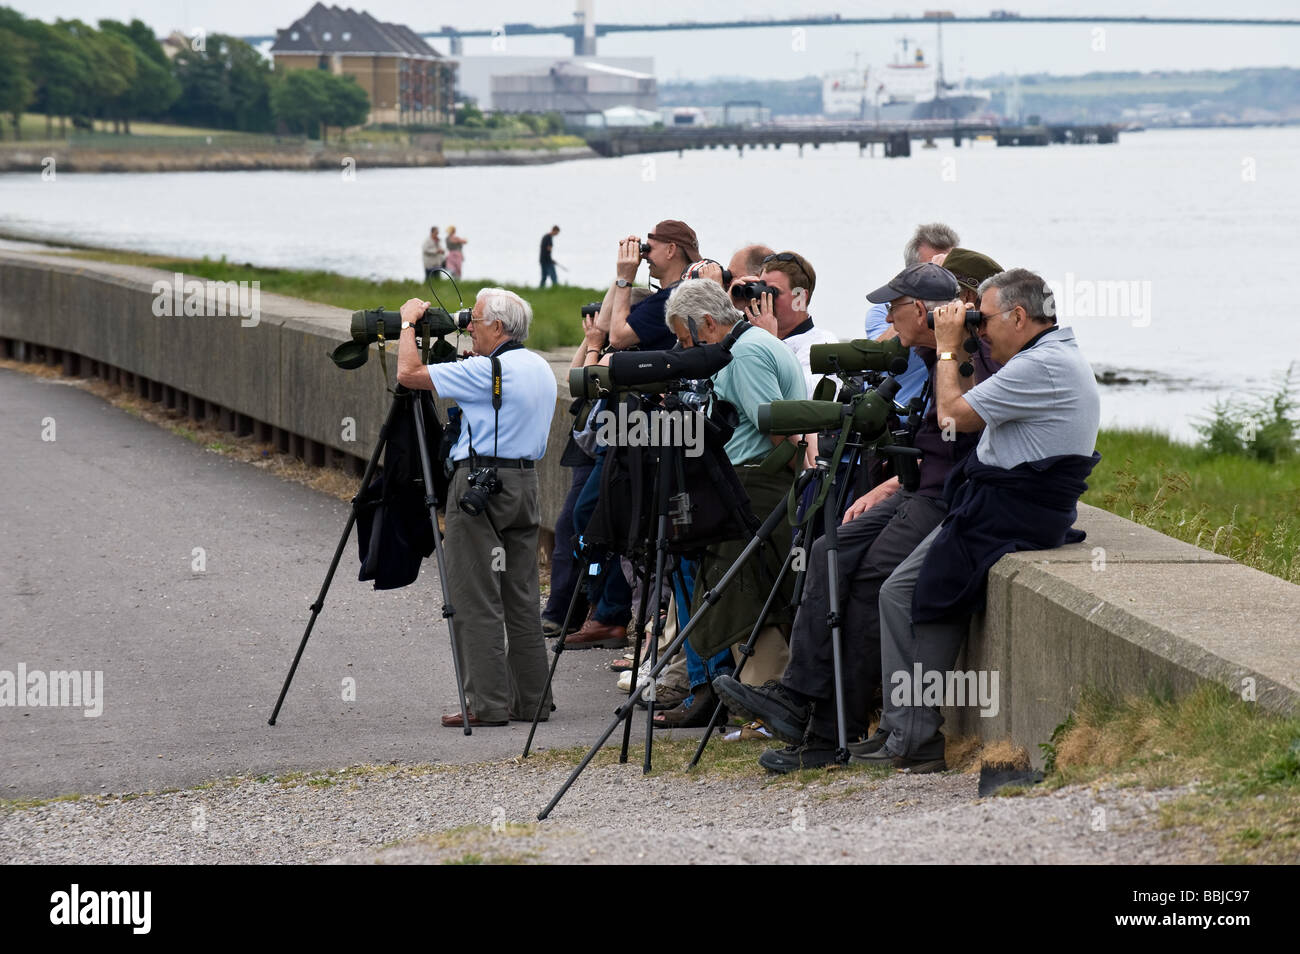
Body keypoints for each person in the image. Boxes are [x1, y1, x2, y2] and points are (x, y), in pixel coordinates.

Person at [712, 255, 1005, 773]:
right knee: (827, 551)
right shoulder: (922, 355)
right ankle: (798, 697)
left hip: (946, 500)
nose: (889, 321)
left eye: (895, 310)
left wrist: (945, 347)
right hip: (915, 489)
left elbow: (956, 425)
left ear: (921, 309)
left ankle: (831, 730)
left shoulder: (966, 359)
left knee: (871, 579)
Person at [856, 267, 1101, 772]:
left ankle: (914, 735)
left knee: (915, 592)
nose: (980, 329)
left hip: (1013, 510)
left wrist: (947, 346)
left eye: (984, 319)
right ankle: (904, 728)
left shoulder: (1042, 366)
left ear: (1017, 315)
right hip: (1003, 502)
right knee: (902, 591)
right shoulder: (1046, 355)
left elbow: (952, 416)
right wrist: (963, 347)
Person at [395, 287, 558, 728]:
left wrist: (409, 323)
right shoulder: (540, 367)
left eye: (477, 321)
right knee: (522, 598)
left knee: (475, 597)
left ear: (499, 328)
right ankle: (532, 701)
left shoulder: (487, 370)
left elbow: (409, 373)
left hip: (480, 486)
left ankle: (486, 704)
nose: (469, 327)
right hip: (526, 484)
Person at [655, 278, 806, 726]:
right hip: (749, 481)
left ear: (707, 323)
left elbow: (775, 427)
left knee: (733, 585)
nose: (687, 351)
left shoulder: (743, 355)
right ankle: (736, 693)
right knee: (726, 581)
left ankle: (744, 696)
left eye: (687, 340)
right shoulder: (750, 344)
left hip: (755, 484)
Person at [865, 223, 960, 404]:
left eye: (948, 272)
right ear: (910, 272)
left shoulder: (961, 309)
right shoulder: (882, 311)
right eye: (931, 273)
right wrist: (910, 313)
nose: (942, 279)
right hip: (901, 417)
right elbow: (874, 358)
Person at [596, 219, 700, 353]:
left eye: (649, 248)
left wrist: (625, 279)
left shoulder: (669, 300)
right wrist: (622, 273)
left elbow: (617, 339)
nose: (644, 255)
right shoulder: (684, 292)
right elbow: (604, 324)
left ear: (670, 250)